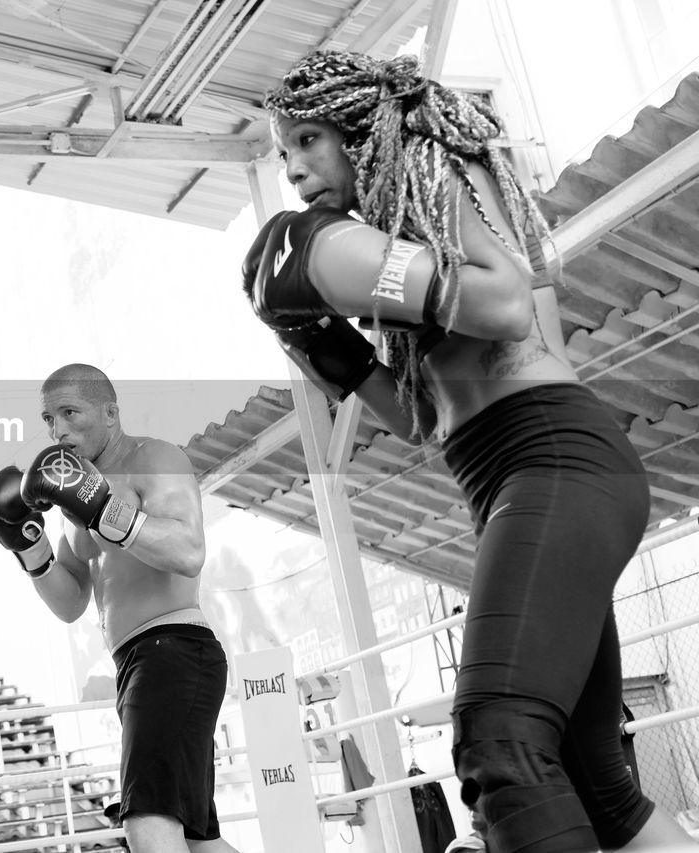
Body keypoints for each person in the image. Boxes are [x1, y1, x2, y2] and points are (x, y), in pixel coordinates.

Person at [244, 49, 696, 852]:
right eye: (283, 153)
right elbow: (420, 417)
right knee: (597, 785)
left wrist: (361, 271)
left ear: (363, 128)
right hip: (506, 474)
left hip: (553, 455)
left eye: (307, 140)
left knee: (500, 741)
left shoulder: (437, 168)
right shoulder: (395, 234)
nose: (294, 169)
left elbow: (505, 305)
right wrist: (321, 343)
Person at [0, 364, 241, 853]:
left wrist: (106, 512)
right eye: (49, 419)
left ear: (111, 413)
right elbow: (71, 602)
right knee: (199, 841)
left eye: (70, 412)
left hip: (174, 650)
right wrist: (26, 545)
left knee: (149, 823)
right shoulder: (77, 492)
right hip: (139, 663)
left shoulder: (152, 458)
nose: (58, 430)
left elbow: (187, 552)